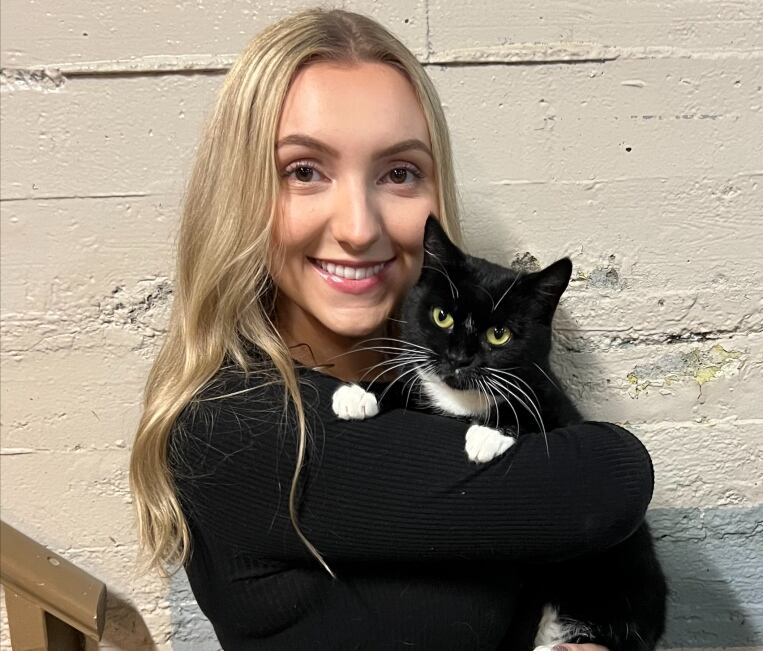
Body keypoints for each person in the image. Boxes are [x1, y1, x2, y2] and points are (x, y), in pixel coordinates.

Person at [129, 8, 654, 650]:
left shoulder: (425, 397)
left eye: (399, 173)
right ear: (238, 196)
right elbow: (610, 479)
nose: (358, 226)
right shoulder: (236, 429)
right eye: (304, 171)